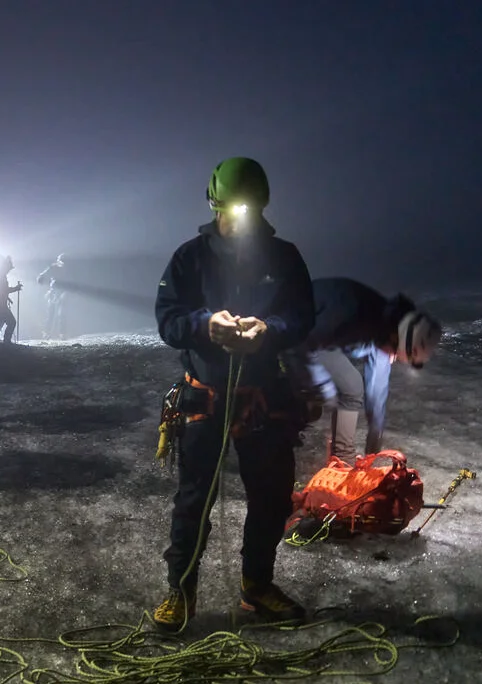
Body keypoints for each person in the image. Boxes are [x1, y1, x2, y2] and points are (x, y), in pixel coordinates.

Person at [151, 157, 316, 631]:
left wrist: (269, 330)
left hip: (263, 398)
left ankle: (256, 585)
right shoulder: (189, 258)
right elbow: (168, 319)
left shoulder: (285, 257)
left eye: (246, 211)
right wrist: (205, 324)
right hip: (206, 397)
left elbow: (302, 316)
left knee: (271, 497)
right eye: (229, 211)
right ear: (213, 204)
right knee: (194, 500)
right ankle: (180, 590)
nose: (237, 220)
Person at [286, 277, 442, 459]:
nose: (393, 359)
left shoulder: (387, 332)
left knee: (352, 388)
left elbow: (377, 389)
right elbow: (301, 342)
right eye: (397, 355)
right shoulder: (353, 312)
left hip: (324, 341)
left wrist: (374, 443)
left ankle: (342, 459)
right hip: (293, 327)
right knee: (308, 403)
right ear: (395, 338)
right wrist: (320, 386)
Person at [36, 253, 68, 340]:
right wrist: (41, 278)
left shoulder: (68, 269)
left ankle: (62, 334)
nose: (63, 264)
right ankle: (46, 333)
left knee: (61, 314)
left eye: (64, 262)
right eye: (61, 261)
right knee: (51, 313)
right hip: (53, 293)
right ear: (58, 261)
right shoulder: (53, 268)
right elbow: (43, 275)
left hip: (63, 292)